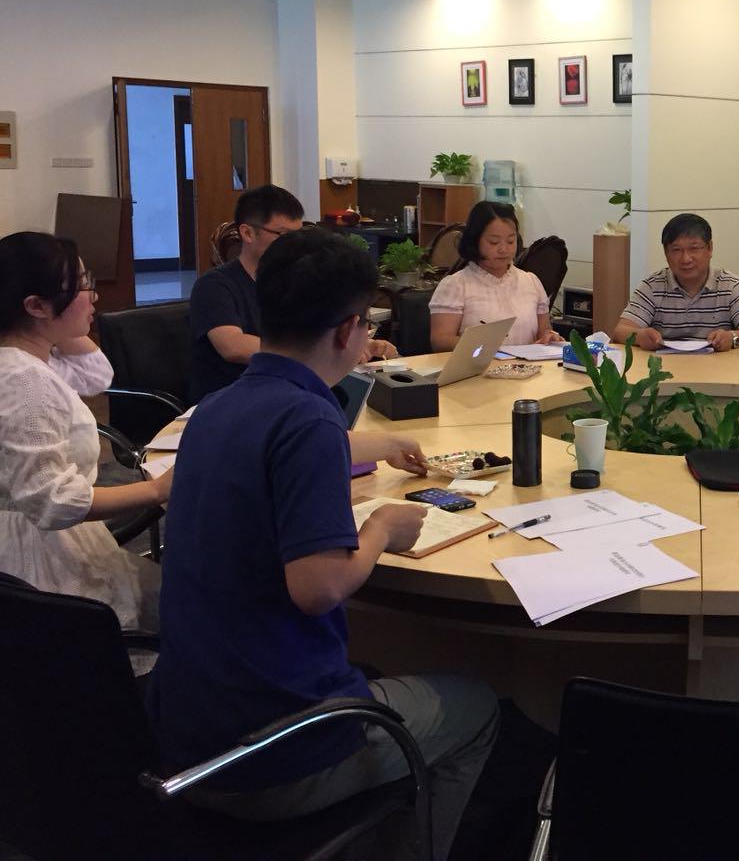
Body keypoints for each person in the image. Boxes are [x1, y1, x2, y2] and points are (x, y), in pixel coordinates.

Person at [148, 229, 498, 860]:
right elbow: (319, 588)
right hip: (272, 752)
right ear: (347, 332)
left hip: (184, 729)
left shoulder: (216, 409)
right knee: (478, 707)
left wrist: (379, 446)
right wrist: (381, 529)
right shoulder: (309, 420)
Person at [0, 232, 169, 628]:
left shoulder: (32, 358)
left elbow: (96, 376)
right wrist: (157, 490)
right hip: (35, 556)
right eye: (81, 285)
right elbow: (51, 500)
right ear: (36, 305)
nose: (94, 295)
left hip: (52, 535)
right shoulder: (24, 381)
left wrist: (64, 322)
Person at [189, 185, 397, 403]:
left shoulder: (299, 283)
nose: (294, 245)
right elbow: (233, 346)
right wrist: (319, 352)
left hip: (293, 397)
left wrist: (354, 345)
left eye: (298, 234)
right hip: (232, 402)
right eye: (283, 235)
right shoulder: (214, 285)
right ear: (247, 233)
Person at [613, 213, 739, 353]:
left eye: (694, 249)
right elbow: (620, 331)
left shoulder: (731, 285)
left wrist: (733, 338)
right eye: (676, 250)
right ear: (666, 253)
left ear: (709, 248)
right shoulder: (652, 287)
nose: (685, 259)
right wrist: (640, 336)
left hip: (719, 371)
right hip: (666, 370)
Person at [428, 201, 564, 351]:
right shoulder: (456, 285)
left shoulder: (531, 281)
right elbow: (441, 340)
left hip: (527, 365)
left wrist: (549, 336)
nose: (504, 249)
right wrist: (484, 346)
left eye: (510, 241)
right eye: (494, 242)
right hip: (480, 365)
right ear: (475, 241)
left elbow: (543, 331)